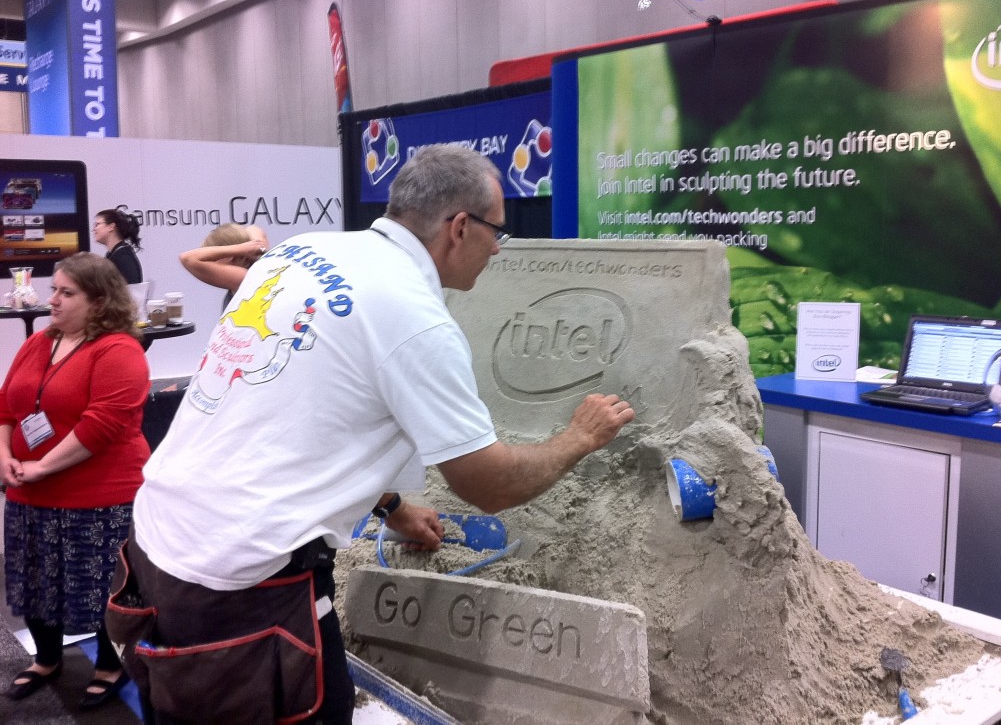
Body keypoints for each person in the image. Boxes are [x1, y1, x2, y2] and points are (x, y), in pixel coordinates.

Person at [108, 145, 635, 724]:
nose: (498, 248)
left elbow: (298, 419)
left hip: (157, 538)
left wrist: (390, 506)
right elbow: (490, 485)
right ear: (460, 227)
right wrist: (578, 437)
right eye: (497, 233)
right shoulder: (416, 319)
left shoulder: (308, 250)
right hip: (239, 581)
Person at [0, 252, 150, 709]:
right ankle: (46, 660)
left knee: (101, 586)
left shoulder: (119, 350)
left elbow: (100, 425)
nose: (54, 300)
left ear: (100, 300)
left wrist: (41, 467)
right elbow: (7, 405)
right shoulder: (39, 343)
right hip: (30, 491)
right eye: (54, 291)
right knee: (35, 581)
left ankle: (109, 666)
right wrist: (4, 454)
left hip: (98, 498)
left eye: (67, 292)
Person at [178, 224, 269, 307]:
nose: (211, 265)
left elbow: (187, 258)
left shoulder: (245, 278)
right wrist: (250, 247)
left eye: (212, 259)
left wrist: (239, 248)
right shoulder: (260, 266)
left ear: (230, 257)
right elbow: (253, 228)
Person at [93, 208, 144, 284]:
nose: (94, 229)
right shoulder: (113, 255)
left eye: (97, 224)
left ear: (111, 227)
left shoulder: (123, 257)